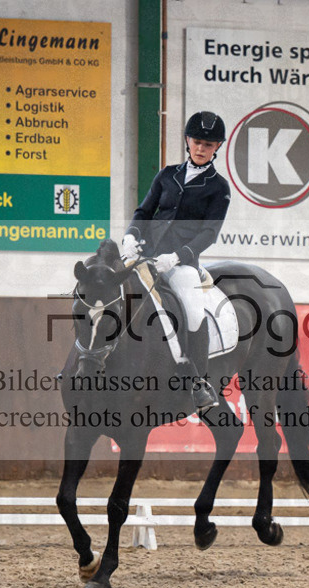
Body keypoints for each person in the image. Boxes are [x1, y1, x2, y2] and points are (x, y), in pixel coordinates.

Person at [121, 111, 231, 412]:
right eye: (197, 142)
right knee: (109, 291)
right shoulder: (166, 175)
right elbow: (144, 211)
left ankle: (196, 382)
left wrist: (178, 257)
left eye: (208, 145)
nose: (200, 148)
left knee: (194, 313)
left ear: (217, 147)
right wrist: (131, 235)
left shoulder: (219, 187)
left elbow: (209, 233)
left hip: (181, 263)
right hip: (145, 255)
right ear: (187, 141)